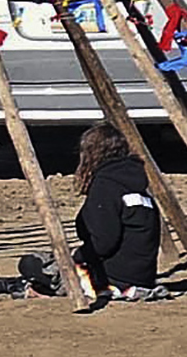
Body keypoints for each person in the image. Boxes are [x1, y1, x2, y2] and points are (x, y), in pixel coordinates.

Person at [72, 120, 171, 302]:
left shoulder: (105, 186)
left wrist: (77, 257)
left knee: (33, 264)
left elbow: (104, 243)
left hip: (114, 276)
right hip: (143, 276)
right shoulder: (136, 185)